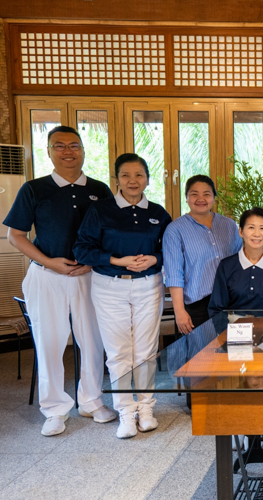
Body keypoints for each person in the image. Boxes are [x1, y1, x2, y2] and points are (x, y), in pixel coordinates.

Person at [4, 125, 117, 436]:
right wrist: (48, 261)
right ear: (50, 151)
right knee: (49, 342)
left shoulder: (99, 189)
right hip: (47, 276)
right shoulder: (34, 189)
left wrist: (94, 260)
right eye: (60, 146)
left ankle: (92, 401)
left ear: (83, 150)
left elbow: (111, 232)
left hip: (88, 276)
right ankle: (54, 409)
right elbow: (16, 236)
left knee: (93, 340)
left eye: (74, 145)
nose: (68, 151)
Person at [74, 153, 172, 439]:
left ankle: (146, 409)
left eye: (139, 175)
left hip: (148, 285)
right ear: (116, 179)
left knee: (145, 352)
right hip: (109, 285)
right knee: (118, 353)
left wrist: (154, 259)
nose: (133, 181)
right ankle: (126, 413)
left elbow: (171, 251)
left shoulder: (158, 212)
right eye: (126, 175)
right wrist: (116, 260)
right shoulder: (100, 210)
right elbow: (82, 250)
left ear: (148, 179)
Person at [163, 175, 242, 333]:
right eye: (194, 194)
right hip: (196, 307)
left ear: (214, 198)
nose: (201, 199)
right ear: (186, 198)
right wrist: (179, 312)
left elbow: (239, 262)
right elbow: (174, 274)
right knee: (198, 356)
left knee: (231, 354)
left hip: (229, 303)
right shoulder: (175, 229)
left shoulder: (229, 225)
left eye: (206, 194)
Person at [208, 207, 263, 316]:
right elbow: (217, 309)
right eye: (251, 227)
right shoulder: (226, 266)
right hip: (234, 330)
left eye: (262, 228)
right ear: (241, 231)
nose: (257, 234)